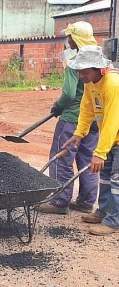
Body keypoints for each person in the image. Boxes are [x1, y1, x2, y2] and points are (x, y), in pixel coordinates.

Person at [39, 22, 99, 215]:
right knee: (88, 159)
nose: (67, 40)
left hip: (72, 118)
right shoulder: (97, 56)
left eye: (69, 36)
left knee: (61, 158)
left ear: (75, 38)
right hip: (94, 119)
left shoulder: (74, 59)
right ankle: (86, 202)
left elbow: (69, 93)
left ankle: (59, 201)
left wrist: (58, 106)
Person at [63, 45, 119, 236]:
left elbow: (113, 121)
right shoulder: (90, 83)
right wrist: (79, 134)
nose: (81, 76)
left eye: (85, 72)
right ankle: (104, 212)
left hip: (116, 137)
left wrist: (99, 153)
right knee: (104, 178)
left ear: (98, 69)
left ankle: (114, 222)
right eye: (79, 72)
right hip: (111, 139)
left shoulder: (113, 85)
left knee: (117, 182)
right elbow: (87, 110)